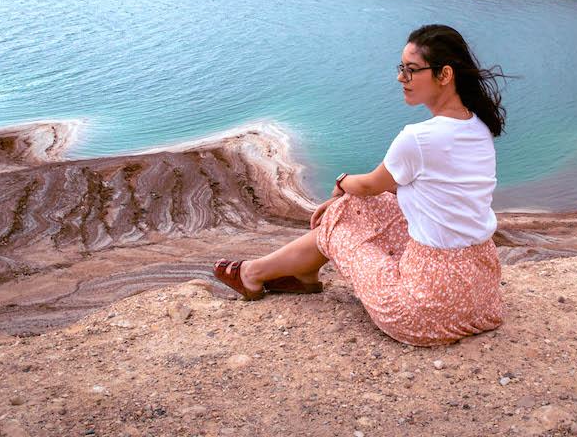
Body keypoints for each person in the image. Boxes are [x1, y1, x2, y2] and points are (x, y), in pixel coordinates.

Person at [213, 23, 506, 346]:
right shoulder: (478, 126)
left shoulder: (419, 138)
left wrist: (341, 183)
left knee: (338, 216)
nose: (401, 78)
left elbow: (368, 185)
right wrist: (352, 193)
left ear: (445, 74)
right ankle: (295, 273)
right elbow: (418, 188)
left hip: (425, 311)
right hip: (481, 296)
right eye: (401, 69)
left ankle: (254, 273)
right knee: (365, 204)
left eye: (411, 70)